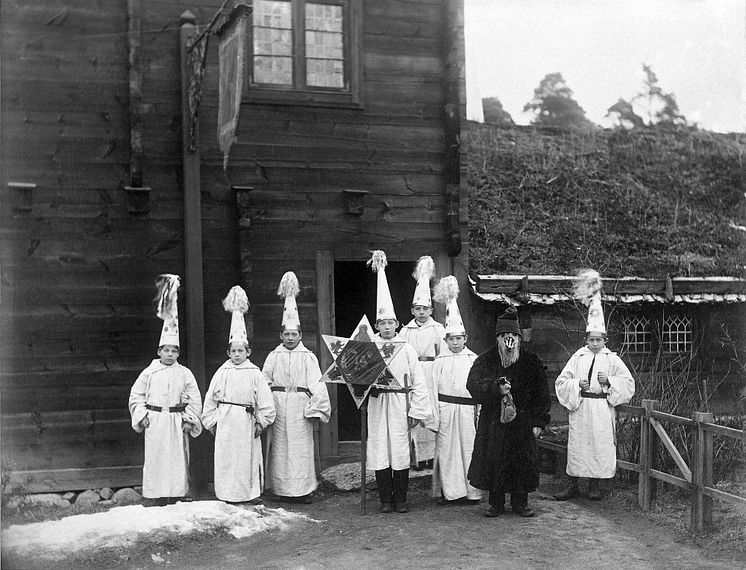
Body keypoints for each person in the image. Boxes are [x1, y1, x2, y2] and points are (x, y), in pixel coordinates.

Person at [554, 270, 635, 501]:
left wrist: (609, 382)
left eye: (599, 340)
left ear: (605, 340)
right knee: (579, 446)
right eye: (592, 339)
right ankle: (573, 485)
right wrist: (576, 385)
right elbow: (561, 382)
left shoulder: (612, 359)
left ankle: (595, 486)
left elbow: (628, 383)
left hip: (601, 409)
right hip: (581, 408)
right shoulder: (578, 357)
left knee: (599, 446)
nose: (596, 343)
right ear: (586, 339)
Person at [467, 306, 551, 518]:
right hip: (494, 422)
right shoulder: (486, 360)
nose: (509, 340)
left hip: (522, 422)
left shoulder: (531, 361)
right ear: (498, 338)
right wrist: (495, 388)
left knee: (521, 462)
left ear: (519, 338)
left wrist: (538, 422)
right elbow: (473, 385)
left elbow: (542, 393)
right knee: (494, 460)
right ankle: (495, 504)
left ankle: (520, 504)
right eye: (505, 336)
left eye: (513, 335)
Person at [366, 250, 434, 513]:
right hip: (378, 402)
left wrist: (416, 411)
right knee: (381, 448)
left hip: (399, 404)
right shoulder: (369, 347)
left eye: (390, 323)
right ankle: (385, 499)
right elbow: (357, 375)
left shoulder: (405, 348)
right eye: (382, 323)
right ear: (377, 325)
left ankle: (401, 499)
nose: (386, 328)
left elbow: (418, 381)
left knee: (400, 448)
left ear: (396, 324)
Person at [129, 274, 203, 505]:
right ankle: (155, 496)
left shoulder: (184, 373)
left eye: (174, 351)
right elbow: (136, 395)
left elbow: (195, 399)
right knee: (156, 458)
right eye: (166, 350)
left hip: (175, 420)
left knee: (177, 458)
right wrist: (142, 416)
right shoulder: (149, 373)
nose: (170, 354)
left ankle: (176, 495)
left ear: (178, 353)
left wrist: (189, 419)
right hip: (155, 419)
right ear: (159, 351)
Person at [202, 286, 276, 504]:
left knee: (247, 459)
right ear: (228, 352)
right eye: (233, 351)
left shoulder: (255, 373)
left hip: (246, 421)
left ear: (248, 352)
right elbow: (210, 400)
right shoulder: (221, 372)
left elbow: (266, 403)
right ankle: (225, 494)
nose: (236, 354)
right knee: (227, 459)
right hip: (226, 421)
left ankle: (248, 494)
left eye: (240, 351)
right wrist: (213, 423)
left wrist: (261, 423)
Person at [263, 271, 331, 503]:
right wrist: (265, 408)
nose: (290, 338)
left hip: (301, 408)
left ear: (300, 334)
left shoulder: (308, 357)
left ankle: (303, 490)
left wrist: (315, 410)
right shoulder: (273, 356)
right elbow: (264, 383)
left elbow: (318, 385)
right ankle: (280, 490)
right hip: (279, 406)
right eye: (286, 334)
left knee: (300, 450)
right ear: (281, 335)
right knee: (280, 449)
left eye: (294, 334)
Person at [430, 276, 481, 505]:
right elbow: (432, 388)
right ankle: (451, 492)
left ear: (466, 338)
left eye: (459, 339)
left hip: (468, 411)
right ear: (446, 339)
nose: (456, 343)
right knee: (448, 451)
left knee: (469, 449)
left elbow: (479, 387)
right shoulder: (439, 361)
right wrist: (434, 416)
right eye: (451, 339)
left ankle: (472, 492)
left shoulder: (474, 360)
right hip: (446, 409)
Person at [399, 255, 445, 469]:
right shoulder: (405, 331)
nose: (422, 313)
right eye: (418, 309)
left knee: (432, 409)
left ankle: (432, 456)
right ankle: (415, 456)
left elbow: (443, 355)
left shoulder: (438, 329)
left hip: (432, 372)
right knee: (414, 408)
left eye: (425, 309)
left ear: (431, 310)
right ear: (412, 310)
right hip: (413, 372)